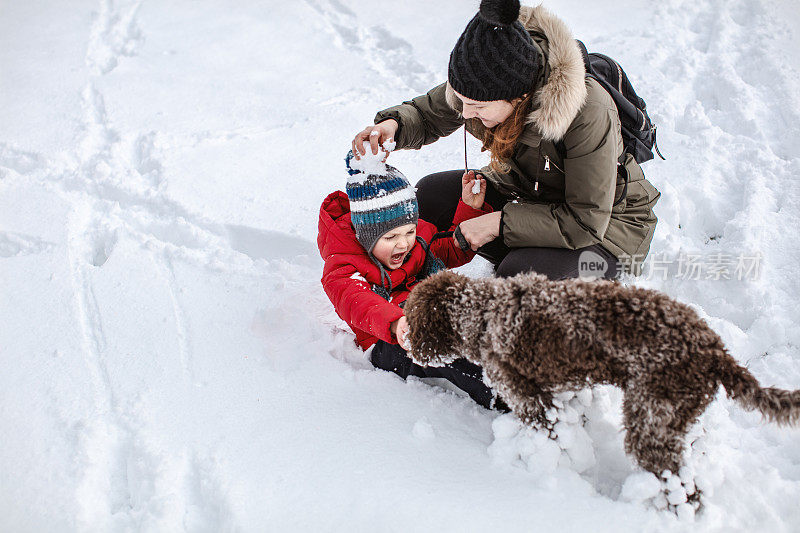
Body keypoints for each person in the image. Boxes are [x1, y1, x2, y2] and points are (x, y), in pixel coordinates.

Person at [352, 0, 661, 280]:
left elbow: (585, 220)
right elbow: (429, 113)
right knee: (430, 195)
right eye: (461, 100)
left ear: (518, 95)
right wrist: (392, 126)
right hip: (527, 195)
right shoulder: (482, 79)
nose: (466, 113)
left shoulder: (586, 110)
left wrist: (497, 223)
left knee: (519, 275)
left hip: (605, 233)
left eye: (478, 107)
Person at [317, 151, 506, 410]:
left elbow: (451, 249)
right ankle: (506, 393)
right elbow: (358, 302)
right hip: (390, 340)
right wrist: (395, 323)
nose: (404, 243)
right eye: (390, 237)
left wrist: (469, 208)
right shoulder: (343, 267)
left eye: (409, 231)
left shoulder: (414, 243)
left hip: (429, 309)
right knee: (446, 347)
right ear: (366, 236)